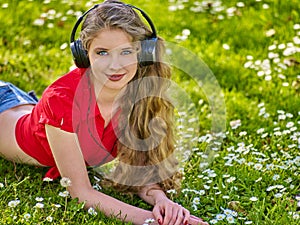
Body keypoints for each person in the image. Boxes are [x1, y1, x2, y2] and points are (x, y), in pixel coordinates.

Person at [0, 1, 209, 225]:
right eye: (102, 53)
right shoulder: (62, 102)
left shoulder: (137, 93)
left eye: (126, 52)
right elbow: (81, 192)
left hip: (24, 104)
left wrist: (161, 202)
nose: (114, 66)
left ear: (143, 53)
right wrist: (154, 221)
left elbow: (136, 169)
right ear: (83, 55)